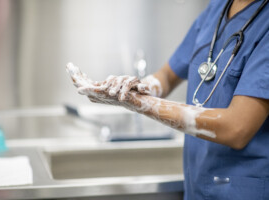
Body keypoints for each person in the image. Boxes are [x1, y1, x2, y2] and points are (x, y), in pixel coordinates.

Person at [67, 0, 269, 199]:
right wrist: (131, 88)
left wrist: (138, 102)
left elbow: (237, 128)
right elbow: (165, 77)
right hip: (197, 187)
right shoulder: (218, 7)